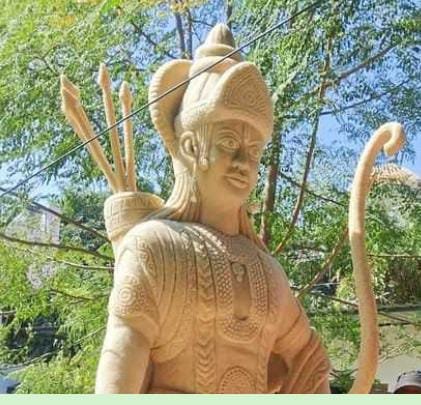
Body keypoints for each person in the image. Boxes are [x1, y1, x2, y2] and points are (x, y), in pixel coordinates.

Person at [92, 23, 331, 394]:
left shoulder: (269, 272)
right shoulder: (153, 248)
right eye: (229, 143)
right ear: (190, 147)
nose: (243, 162)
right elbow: (118, 373)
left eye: (253, 151)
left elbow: (308, 360)